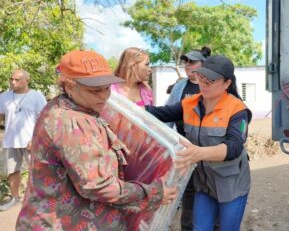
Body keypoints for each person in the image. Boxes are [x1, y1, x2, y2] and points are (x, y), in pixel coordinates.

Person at [16, 50, 181, 230]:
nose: (104, 96)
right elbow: (97, 186)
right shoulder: (71, 122)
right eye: (95, 90)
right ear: (70, 86)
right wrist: (153, 193)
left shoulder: (67, 106)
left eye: (107, 88)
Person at [147, 55, 252, 231]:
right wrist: (121, 103)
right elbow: (159, 113)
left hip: (232, 185)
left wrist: (198, 153)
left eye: (210, 80)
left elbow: (234, 147)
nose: (203, 83)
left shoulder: (237, 110)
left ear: (227, 83)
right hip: (204, 184)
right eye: (201, 77)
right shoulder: (190, 103)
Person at [166, 47, 213, 231]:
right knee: (188, 191)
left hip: (207, 149)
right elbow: (169, 112)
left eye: (192, 62)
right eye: (186, 62)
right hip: (185, 148)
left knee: (210, 190)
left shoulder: (211, 84)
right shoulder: (180, 86)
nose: (188, 66)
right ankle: (187, 227)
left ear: (204, 64)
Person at [0, 70, 46, 211]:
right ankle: (15, 198)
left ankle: (38, 200)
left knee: (37, 172)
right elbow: (1, 116)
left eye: (17, 79)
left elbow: (44, 118)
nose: (13, 82)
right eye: (11, 79)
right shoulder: (4, 97)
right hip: (10, 141)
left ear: (27, 80)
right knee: (12, 171)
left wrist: (35, 138)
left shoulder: (36, 96)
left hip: (31, 142)